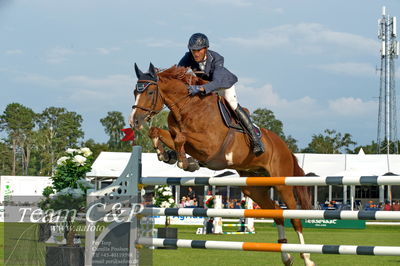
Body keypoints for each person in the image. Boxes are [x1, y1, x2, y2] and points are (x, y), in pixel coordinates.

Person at [178, 33, 264, 156]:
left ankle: (255, 139)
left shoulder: (217, 58)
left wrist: (200, 88)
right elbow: (178, 73)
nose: (195, 53)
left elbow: (217, 82)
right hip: (205, 87)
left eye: (198, 50)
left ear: (206, 49)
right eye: (193, 50)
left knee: (233, 105)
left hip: (223, 85)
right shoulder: (188, 57)